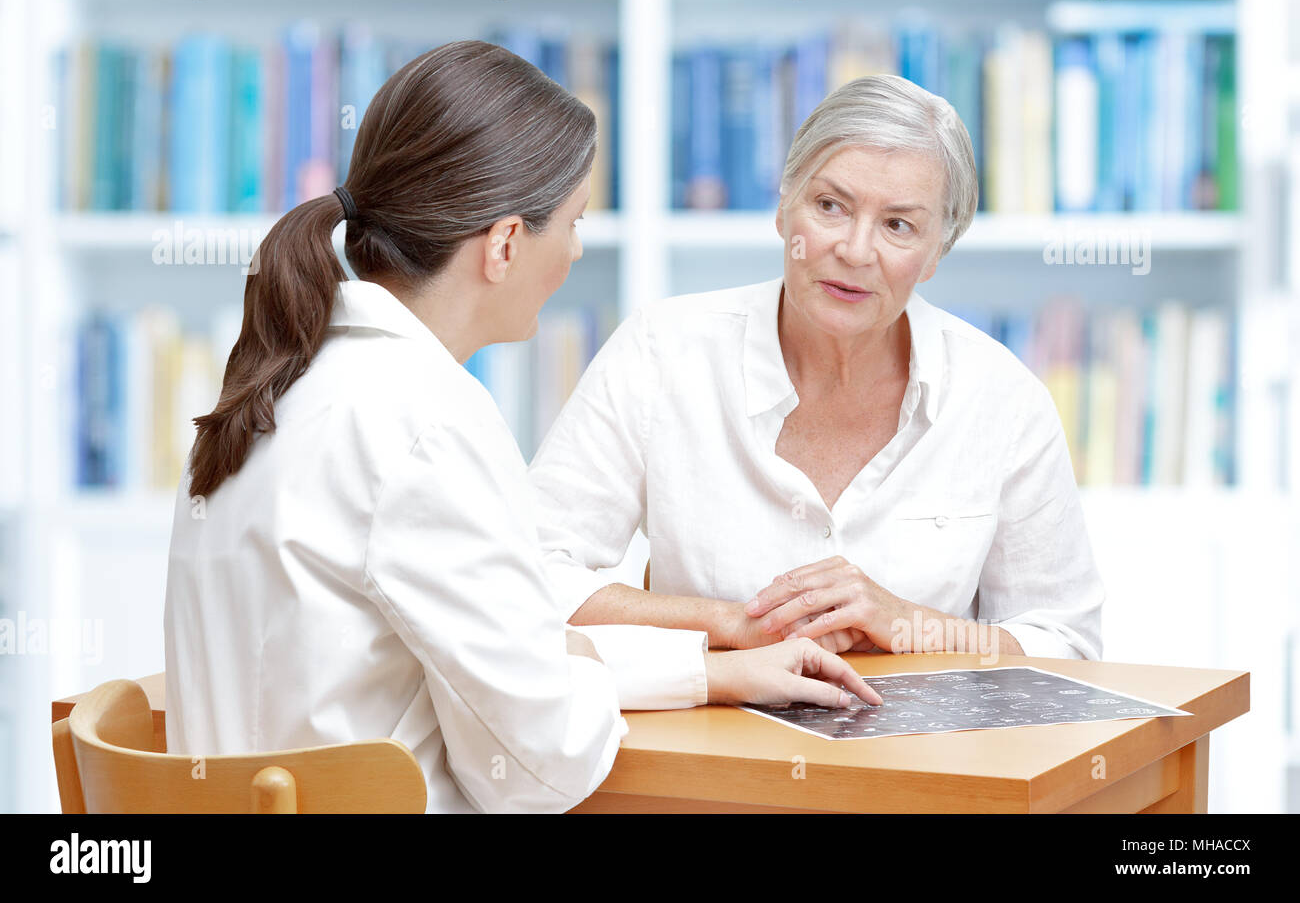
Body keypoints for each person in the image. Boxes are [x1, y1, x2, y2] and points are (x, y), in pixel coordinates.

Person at [164, 40, 880, 815]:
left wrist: (707, 672)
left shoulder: (279, 382)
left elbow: (504, 660)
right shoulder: (424, 421)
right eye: (572, 223)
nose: (574, 250)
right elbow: (543, 764)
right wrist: (592, 676)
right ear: (505, 244)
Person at [528, 74, 1104, 662]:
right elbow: (527, 578)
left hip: (924, 752)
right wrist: (734, 625)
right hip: (710, 744)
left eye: (898, 225)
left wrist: (907, 625)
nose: (855, 251)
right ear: (784, 208)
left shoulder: (1002, 399)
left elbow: (1067, 642)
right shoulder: (662, 353)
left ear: (937, 253)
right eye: (830, 206)